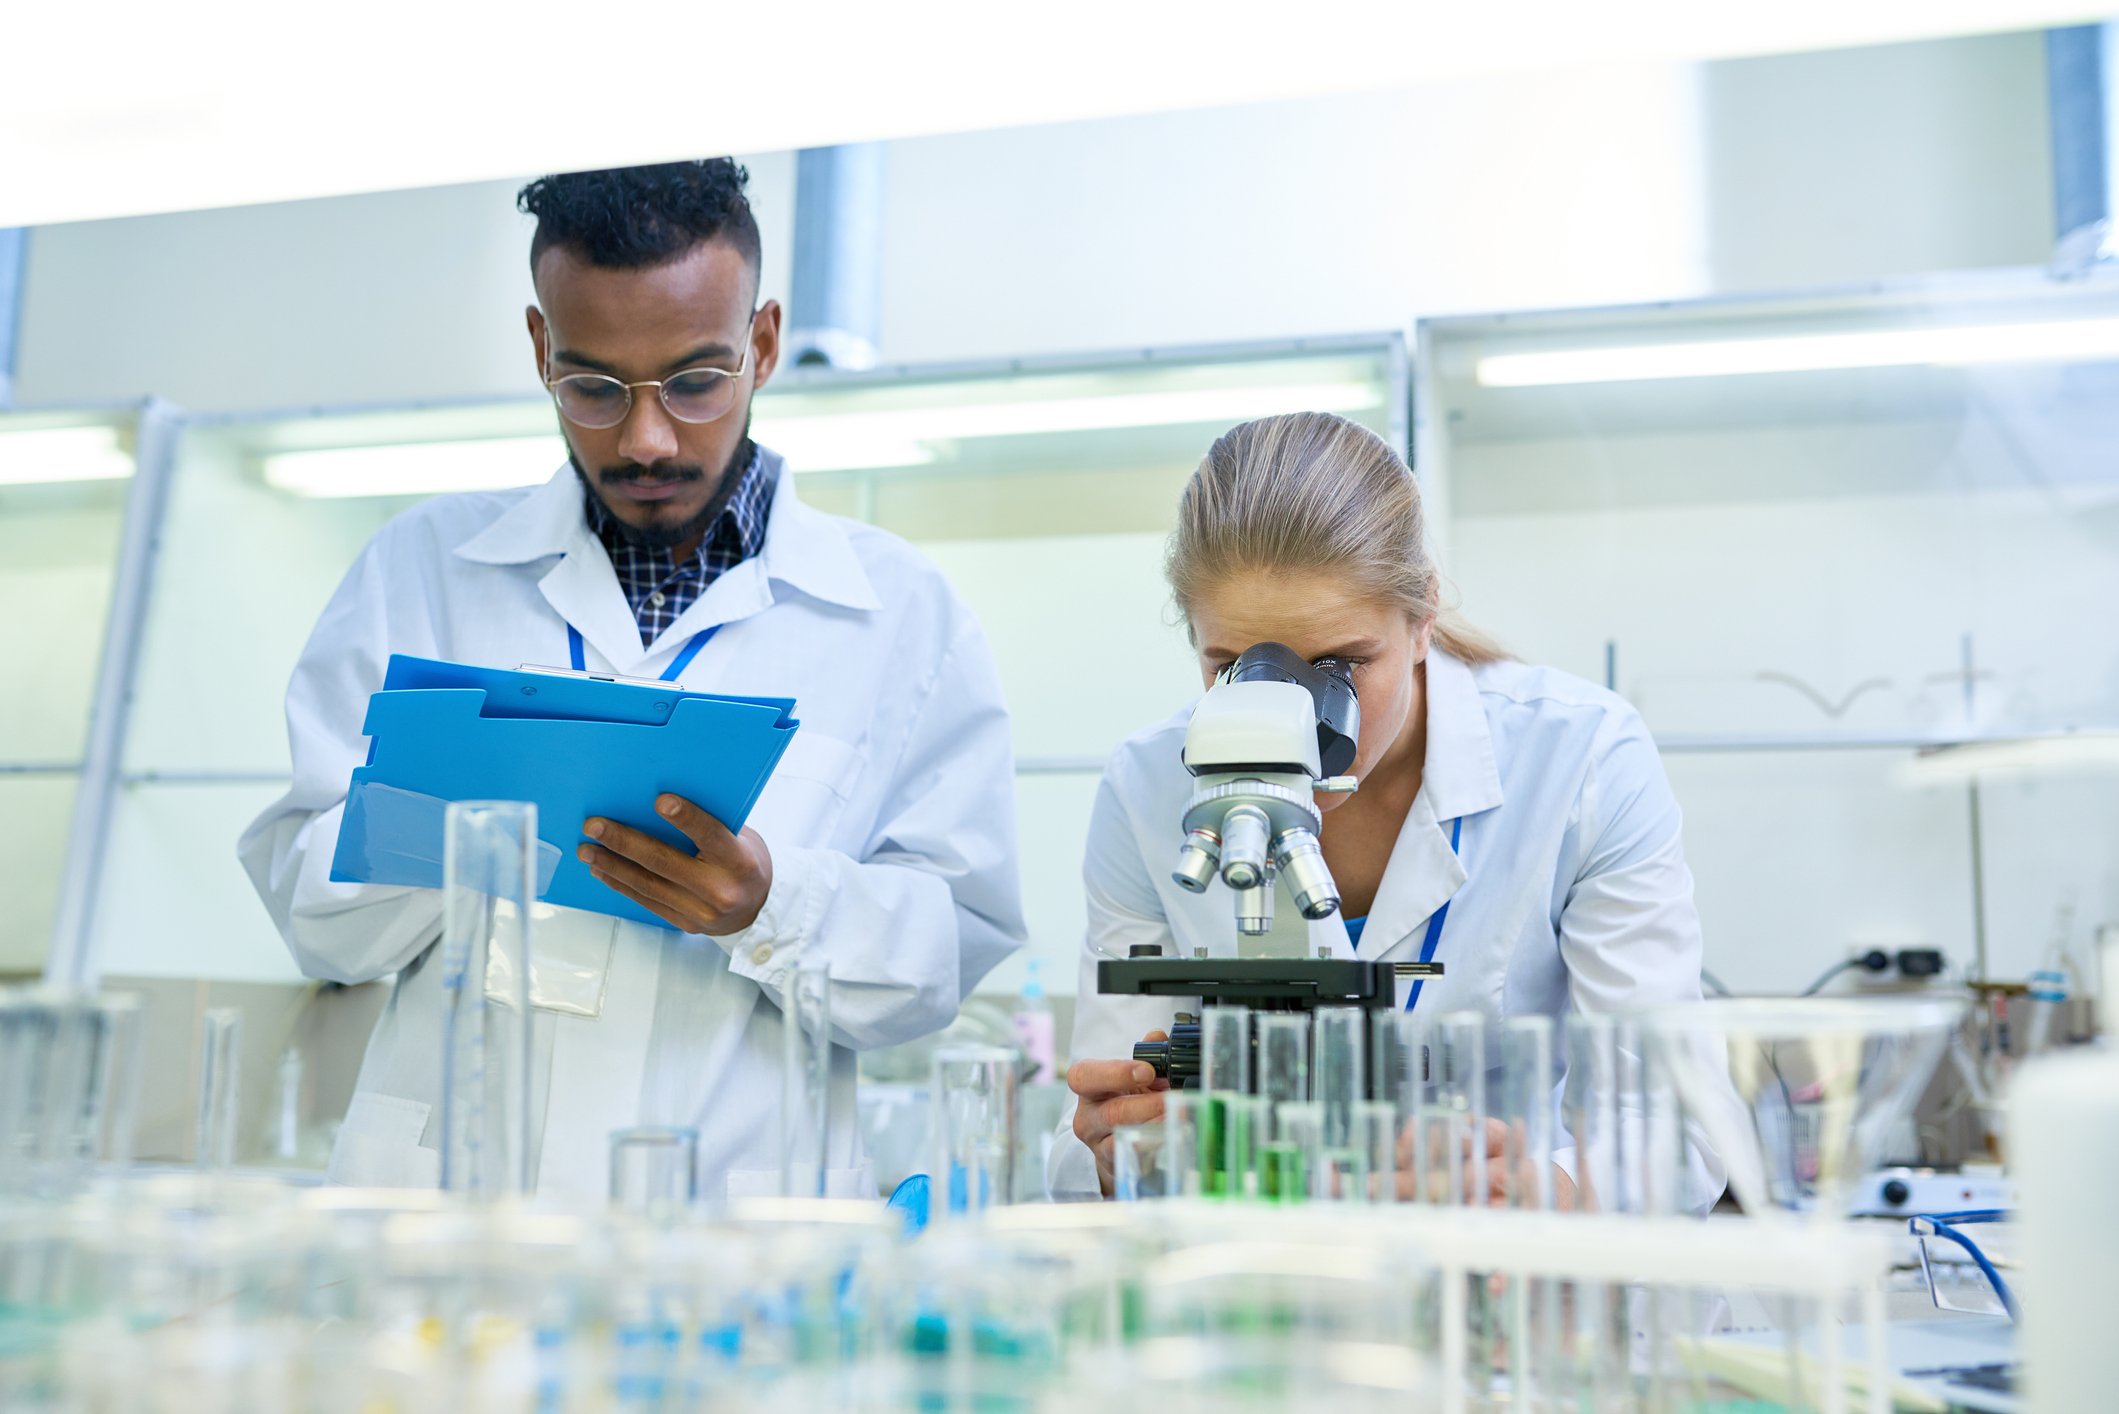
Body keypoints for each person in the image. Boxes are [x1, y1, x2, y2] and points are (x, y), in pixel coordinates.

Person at [240, 159, 1024, 1202]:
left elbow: (943, 958)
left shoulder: (901, 618)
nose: (645, 437)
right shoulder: (419, 568)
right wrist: (453, 836)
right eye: (594, 388)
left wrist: (770, 902)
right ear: (539, 348)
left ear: (762, 342)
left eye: (695, 381)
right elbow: (311, 915)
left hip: (732, 1235)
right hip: (447, 1224)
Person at [1053, 411, 1726, 1206]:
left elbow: (1680, 1133)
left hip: (1502, 1286)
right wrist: (1118, 1152)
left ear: (1421, 619)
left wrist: (1544, 1188)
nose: (1292, 716)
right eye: (1235, 668)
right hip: (1270, 1285)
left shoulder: (1578, 757)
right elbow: (1091, 1135)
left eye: (1339, 665)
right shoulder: (1147, 785)